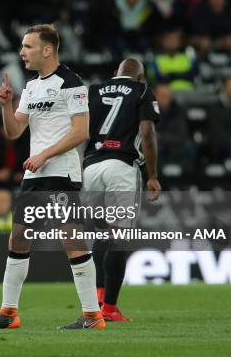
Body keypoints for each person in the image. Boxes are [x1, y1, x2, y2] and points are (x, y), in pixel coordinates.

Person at [0, 24, 105, 330]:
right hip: (35, 175)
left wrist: (44, 155)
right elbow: (14, 131)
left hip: (61, 172)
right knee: (18, 238)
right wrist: (6, 106)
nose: (22, 52)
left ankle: (92, 315)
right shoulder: (32, 87)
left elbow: (81, 131)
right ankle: (8, 313)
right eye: (22, 46)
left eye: (28, 46)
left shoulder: (71, 82)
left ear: (47, 50)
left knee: (70, 239)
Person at [83, 59, 161, 322]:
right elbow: (147, 132)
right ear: (140, 77)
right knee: (118, 236)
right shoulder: (141, 91)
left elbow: (78, 129)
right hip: (122, 165)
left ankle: (99, 298)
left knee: (100, 235)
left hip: (90, 167)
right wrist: (152, 175)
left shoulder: (93, 90)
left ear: (115, 74)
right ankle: (110, 308)